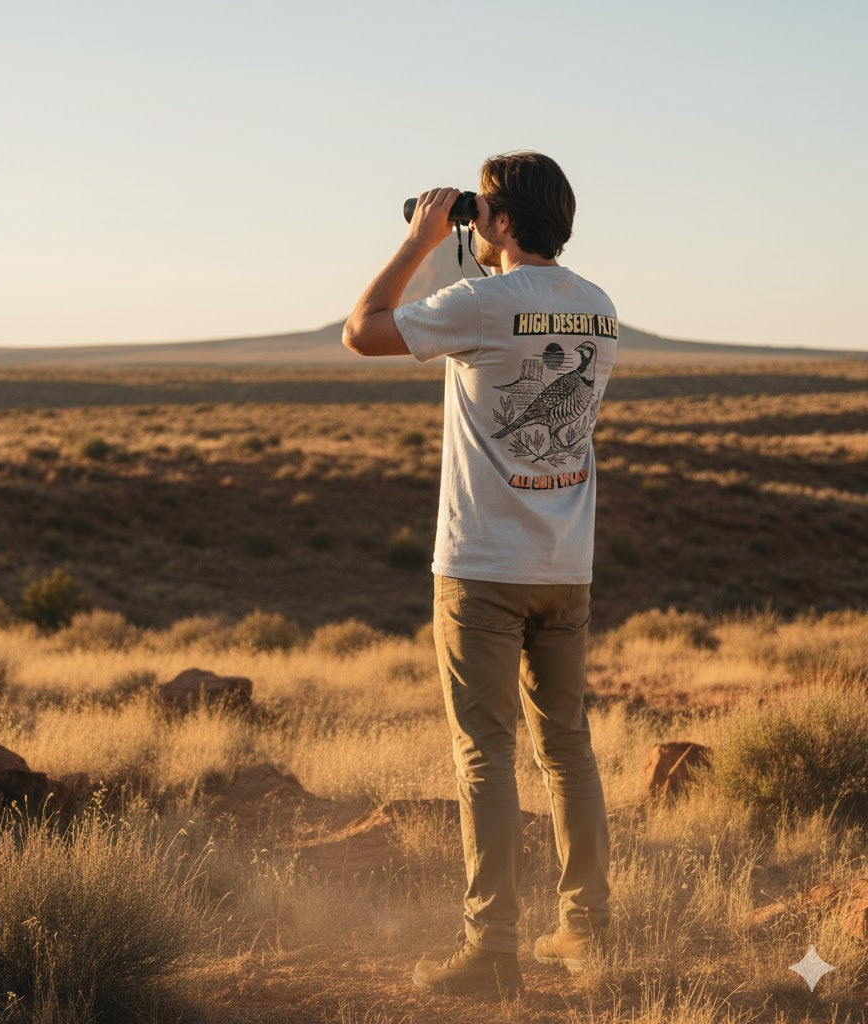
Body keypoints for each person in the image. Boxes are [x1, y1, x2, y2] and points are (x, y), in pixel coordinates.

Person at [343, 151, 615, 999]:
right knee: (568, 749)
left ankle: (491, 949)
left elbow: (363, 330)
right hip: (565, 564)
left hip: (484, 563)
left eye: (480, 212)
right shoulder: (599, 308)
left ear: (497, 222)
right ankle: (587, 931)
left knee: (485, 756)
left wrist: (424, 239)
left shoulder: (482, 302)